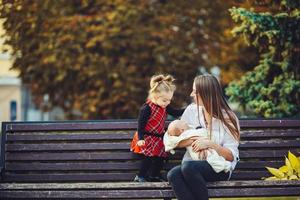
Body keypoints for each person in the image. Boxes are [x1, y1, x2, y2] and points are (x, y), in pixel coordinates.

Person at [167, 74, 240, 200]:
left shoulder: (228, 118)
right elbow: (173, 139)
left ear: (206, 94)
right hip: (192, 167)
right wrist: (194, 140)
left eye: (195, 92)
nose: (191, 94)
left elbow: (230, 156)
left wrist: (210, 144)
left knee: (188, 167)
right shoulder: (191, 111)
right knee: (173, 174)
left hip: (220, 167)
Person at [130, 74, 184, 182]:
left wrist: (188, 109)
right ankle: (140, 176)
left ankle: (154, 175)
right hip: (147, 138)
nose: (167, 103)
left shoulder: (164, 106)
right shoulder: (147, 108)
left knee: (161, 157)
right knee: (148, 157)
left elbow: (175, 112)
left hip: (158, 138)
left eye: (169, 100)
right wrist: (141, 139)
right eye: (165, 100)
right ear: (155, 96)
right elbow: (140, 126)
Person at [164, 119, 231, 173]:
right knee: (173, 174)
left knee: (187, 167)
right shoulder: (188, 133)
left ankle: (222, 165)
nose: (184, 122)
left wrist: (207, 143)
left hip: (196, 160)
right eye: (182, 123)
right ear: (182, 130)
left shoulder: (182, 135)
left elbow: (170, 140)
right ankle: (223, 165)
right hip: (197, 155)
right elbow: (204, 133)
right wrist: (195, 139)